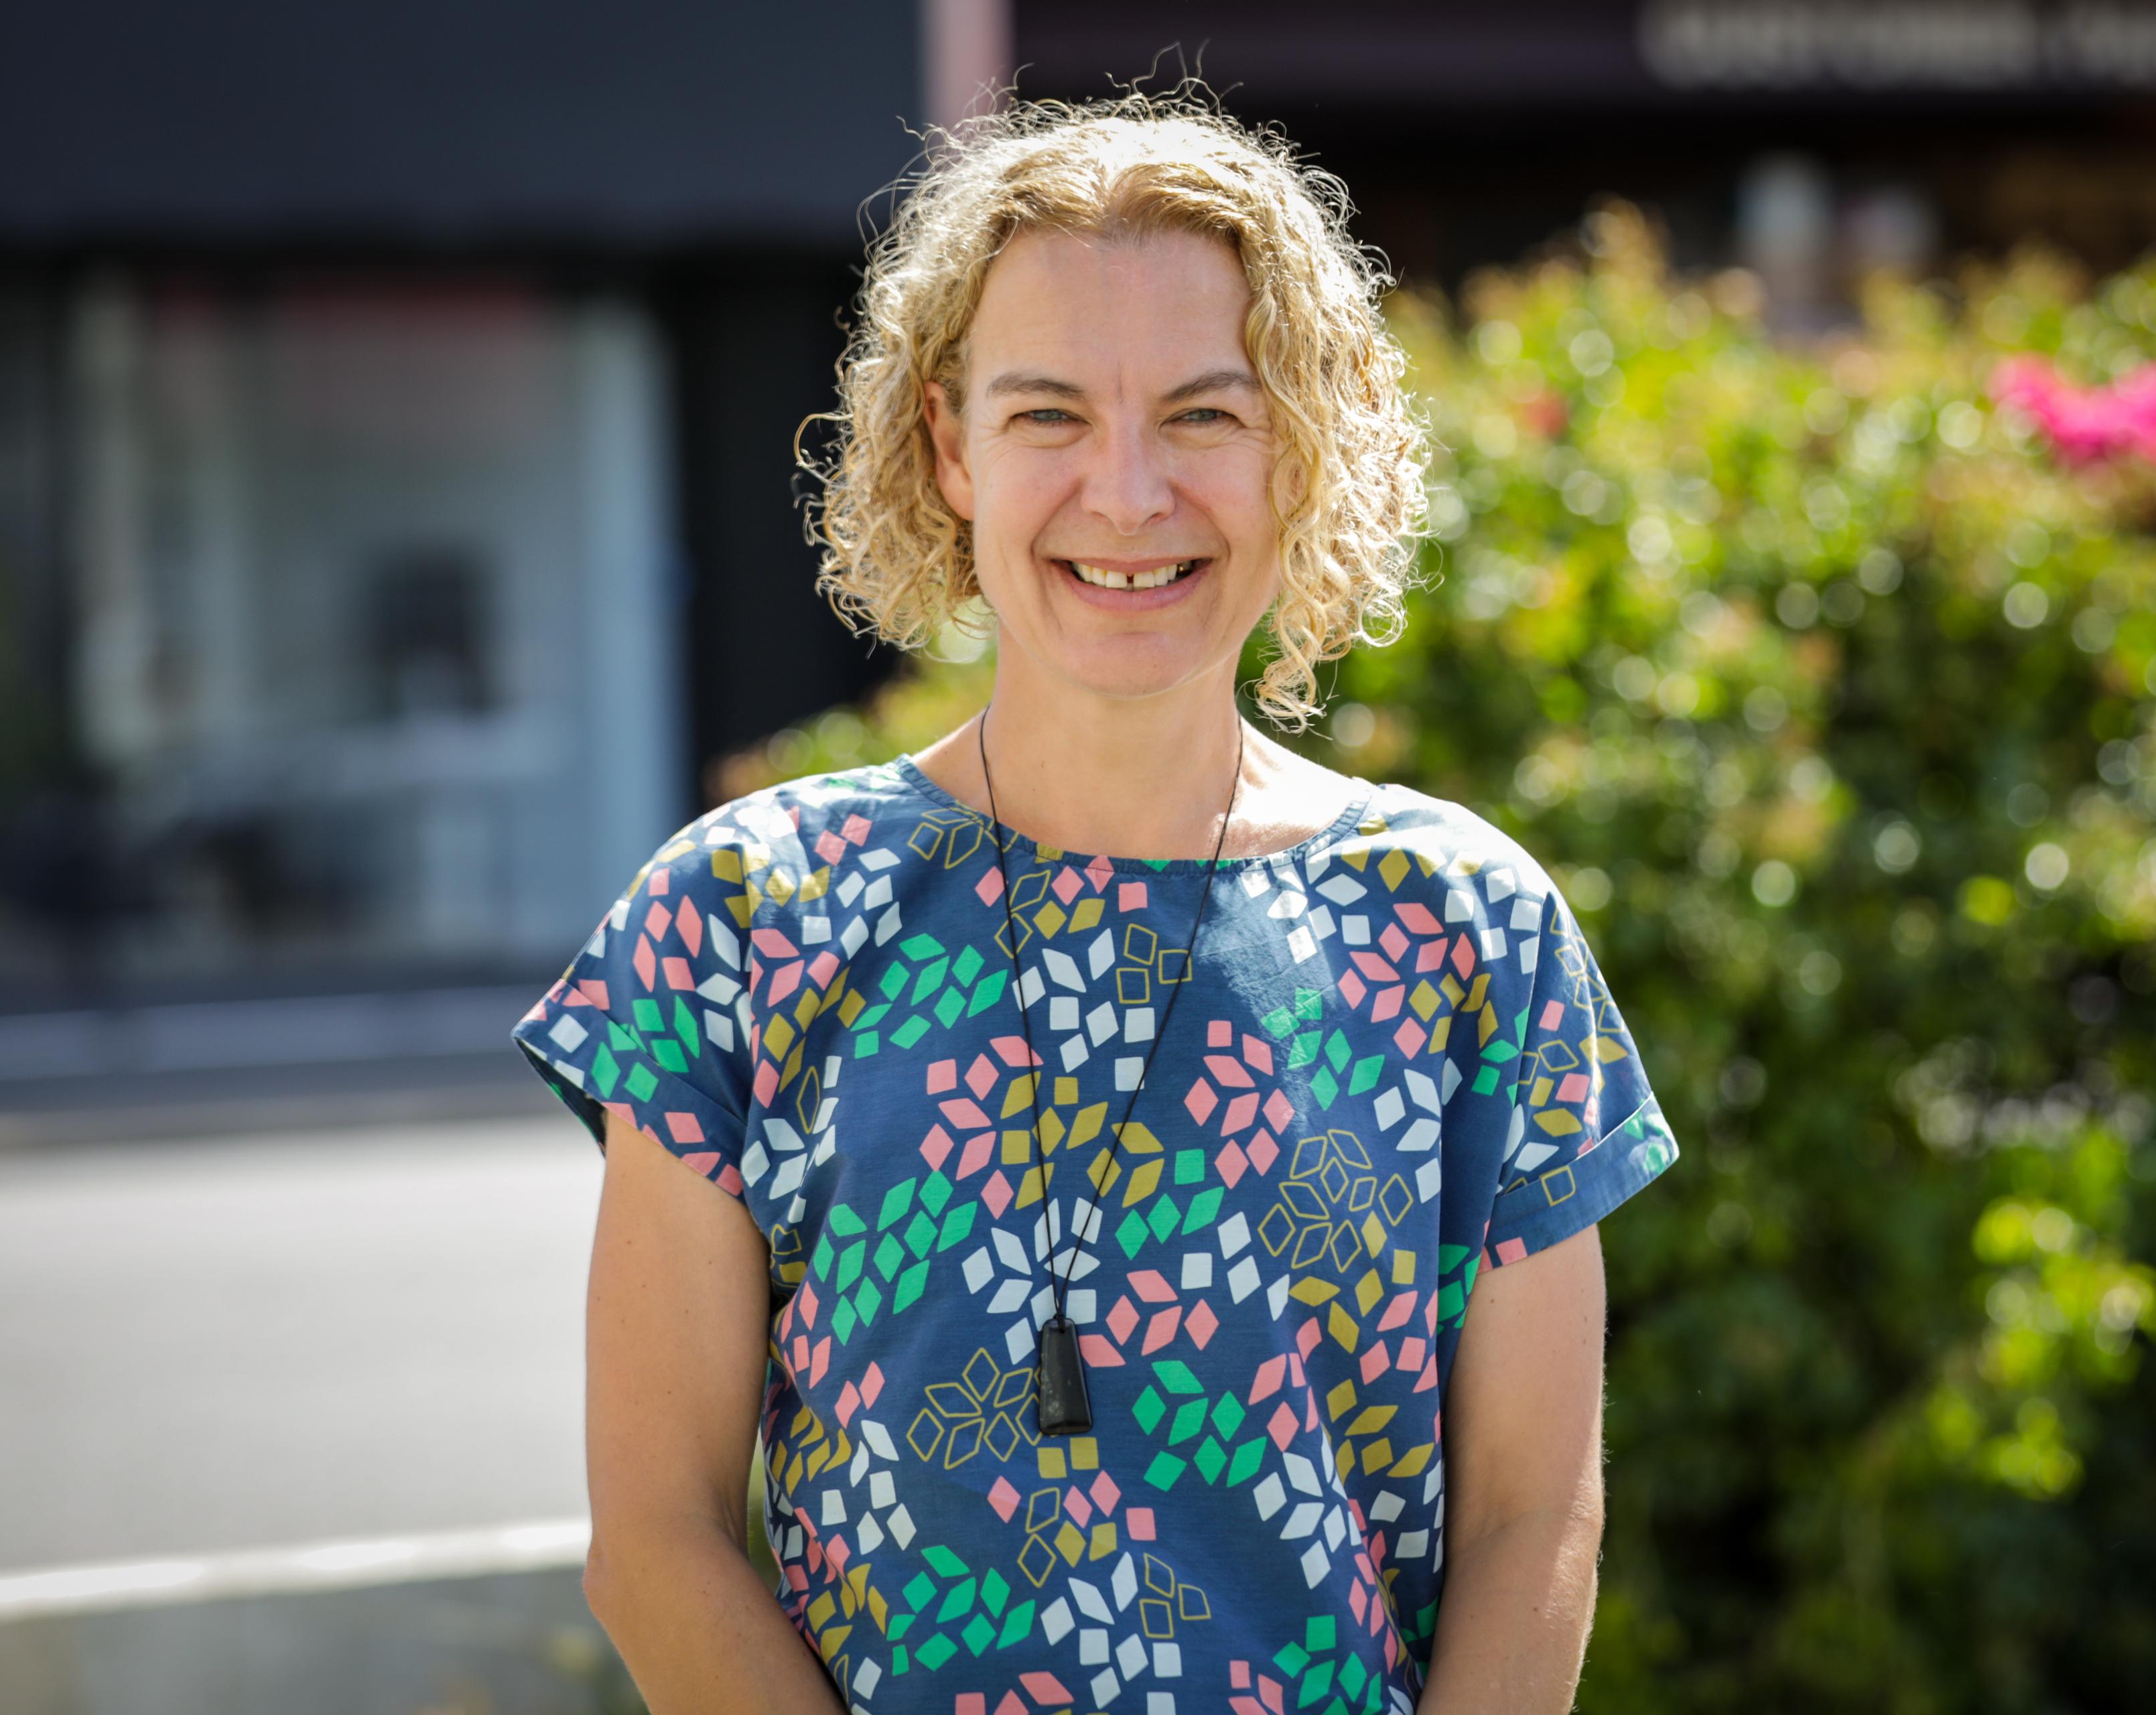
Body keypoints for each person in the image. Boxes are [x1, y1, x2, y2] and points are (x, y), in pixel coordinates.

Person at [511, 91, 1680, 1715]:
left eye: (1206, 413)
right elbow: (657, 1535)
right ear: (949, 445)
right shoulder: (742, 916)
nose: (1127, 493)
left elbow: (1529, 1516)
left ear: (1306, 439)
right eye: (1049, 412)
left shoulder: (1466, 927)